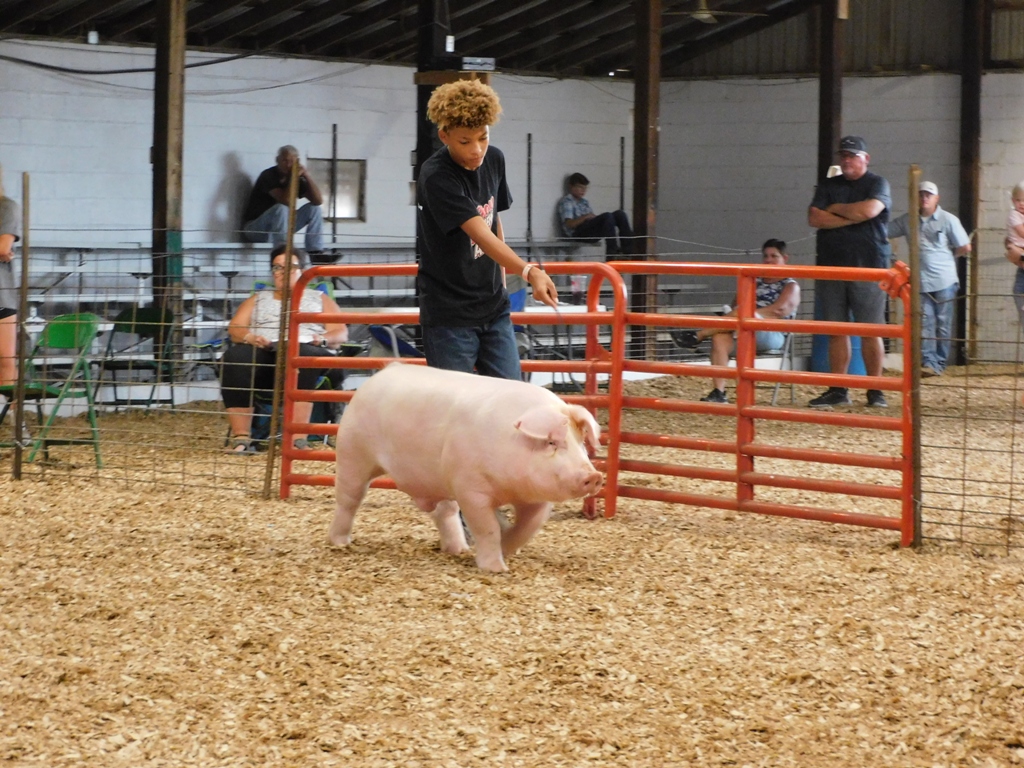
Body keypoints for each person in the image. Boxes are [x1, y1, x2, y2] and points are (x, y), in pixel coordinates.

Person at [417, 79, 558, 380]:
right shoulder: (436, 176)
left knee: (511, 394)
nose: (477, 150)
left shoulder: (495, 159)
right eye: (465, 141)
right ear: (444, 136)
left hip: (493, 307)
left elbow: (493, 220)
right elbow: (480, 233)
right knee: (454, 402)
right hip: (450, 315)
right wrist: (529, 271)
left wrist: (503, 282)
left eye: (483, 137)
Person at [220, 245, 348, 453]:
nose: (281, 272)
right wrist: (251, 337)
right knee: (235, 356)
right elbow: (235, 327)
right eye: (277, 267)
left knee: (302, 354)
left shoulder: (319, 298)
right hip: (267, 353)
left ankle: (297, 439)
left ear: (303, 271)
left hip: (308, 349)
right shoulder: (258, 299)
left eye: (289, 267)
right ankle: (241, 438)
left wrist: (321, 340)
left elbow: (340, 333)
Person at [807, 135, 893, 408]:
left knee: (870, 330)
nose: (847, 160)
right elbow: (814, 217)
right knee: (837, 330)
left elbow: (869, 210)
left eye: (852, 156)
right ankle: (838, 388)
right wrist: (851, 216)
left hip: (869, 267)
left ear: (865, 158)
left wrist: (835, 211)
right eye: (843, 155)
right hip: (831, 267)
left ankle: (875, 390)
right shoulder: (828, 185)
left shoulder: (877, 183)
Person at [674, 240, 800, 403]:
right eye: (765, 256)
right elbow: (736, 304)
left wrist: (748, 315)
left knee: (741, 312)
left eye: (774, 256)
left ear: (785, 258)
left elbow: (779, 310)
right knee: (719, 337)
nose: (768, 260)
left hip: (772, 333)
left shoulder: (790, 285)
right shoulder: (754, 280)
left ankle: (698, 335)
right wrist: (741, 316)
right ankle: (719, 392)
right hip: (743, 328)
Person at [887, 181, 971, 377]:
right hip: (921, 282)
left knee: (942, 323)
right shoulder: (908, 220)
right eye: (921, 194)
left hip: (944, 281)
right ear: (916, 197)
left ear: (936, 198)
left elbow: (965, 246)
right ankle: (929, 362)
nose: (924, 198)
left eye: (928, 195)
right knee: (925, 323)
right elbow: (885, 231)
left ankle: (938, 363)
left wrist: (948, 257)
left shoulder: (948, 220)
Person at [241, 145, 324, 261]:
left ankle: (315, 252)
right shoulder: (268, 175)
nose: (288, 165)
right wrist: (293, 178)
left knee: (314, 209)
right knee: (281, 208)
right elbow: (286, 201)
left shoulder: (298, 179)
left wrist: (306, 175)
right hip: (255, 229)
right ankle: (283, 252)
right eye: (285, 160)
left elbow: (318, 201)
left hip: (281, 228)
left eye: (292, 162)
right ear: (277, 160)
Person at [558, 172, 634, 256]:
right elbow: (569, 224)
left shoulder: (584, 202)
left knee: (620, 214)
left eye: (585, 188)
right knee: (607, 216)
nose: (583, 190)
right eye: (580, 187)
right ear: (571, 186)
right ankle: (612, 252)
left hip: (588, 229)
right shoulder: (567, 201)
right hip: (577, 233)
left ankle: (628, 251)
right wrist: (586, 217)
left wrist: (594, 219)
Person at [0, 167, 21, 388]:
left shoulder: (6, 207)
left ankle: (10, 406)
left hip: (1, 294)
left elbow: (3, 246)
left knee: (5, 359)